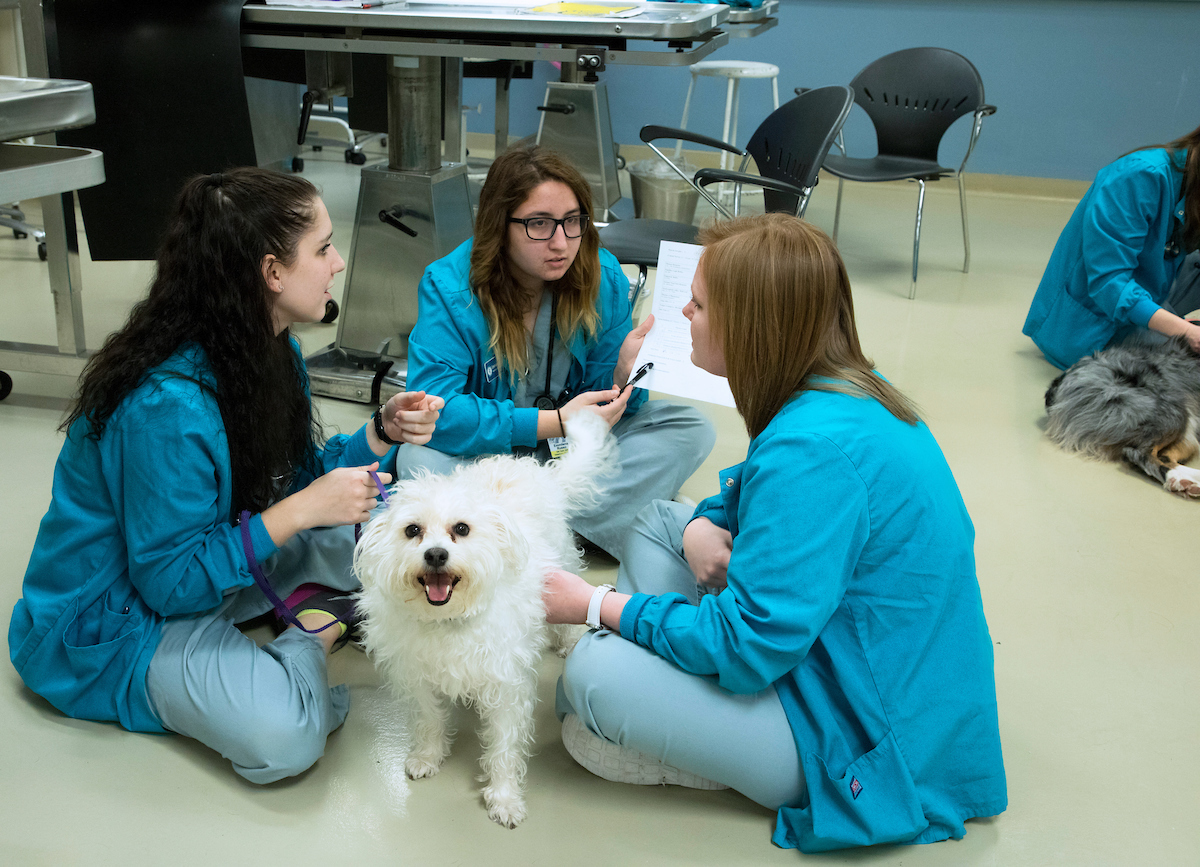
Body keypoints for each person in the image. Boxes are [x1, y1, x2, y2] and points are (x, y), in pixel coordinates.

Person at [543, 214, 1007, 853]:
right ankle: (684, 692)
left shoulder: (812, 453)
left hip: (864, 734)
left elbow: (745, 646)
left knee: (592, 675)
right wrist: (704, 523)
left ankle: (695, 736)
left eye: (700, 304)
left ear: (750, 325)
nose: (684, 310)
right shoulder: (842, 394)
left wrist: (593, 604)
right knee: (660, 523)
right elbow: (749, 487)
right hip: (837, 656)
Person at [8, 168, 443, 784]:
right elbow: (167, 583)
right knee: (284, 739)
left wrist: (379, 435)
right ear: (270, 272)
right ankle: (311, 636)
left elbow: (294, 480)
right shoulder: (166, 406)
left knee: (397, 533)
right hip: (120, 621)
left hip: (213, 561)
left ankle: (303, 617)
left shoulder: (266, 345)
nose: (338, 262)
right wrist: (299, 512)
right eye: (321, 249)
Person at [394, 146, 715, 561]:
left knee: (690, 428)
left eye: (573, 222)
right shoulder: (450, 288)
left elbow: (615, 410)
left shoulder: (603, 276)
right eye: (539, 224)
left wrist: (622, 378)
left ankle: (515, 534)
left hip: (568, 457)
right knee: (417, 456)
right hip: (489, 460)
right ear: (499, 226)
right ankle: (588, 526)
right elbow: (435, 412)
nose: (561, 243)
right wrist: (556, 421)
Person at [1023, 123, 1200, 369]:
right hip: (1093, 325)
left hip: (1155, 294)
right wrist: (1187, 333)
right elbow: (1109, 283)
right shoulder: (1139, 176)